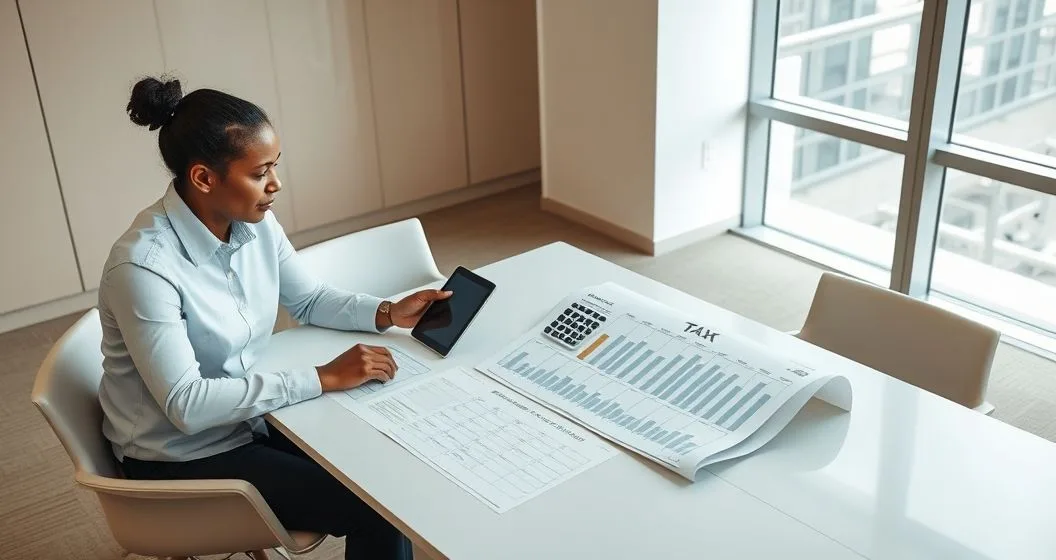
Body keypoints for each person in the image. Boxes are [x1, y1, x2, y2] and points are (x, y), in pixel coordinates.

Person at [97, 76, 451, 560]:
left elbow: (308, 299)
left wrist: (387, 312)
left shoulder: (252, 223)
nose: (275, 184)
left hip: (251, 421)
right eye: (260, 172)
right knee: (379, 505)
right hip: (180, 456)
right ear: (204, 178)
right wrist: (323, 377)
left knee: (387, 463)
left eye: (275, 167)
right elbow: (188, 405)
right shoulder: (144, 267)